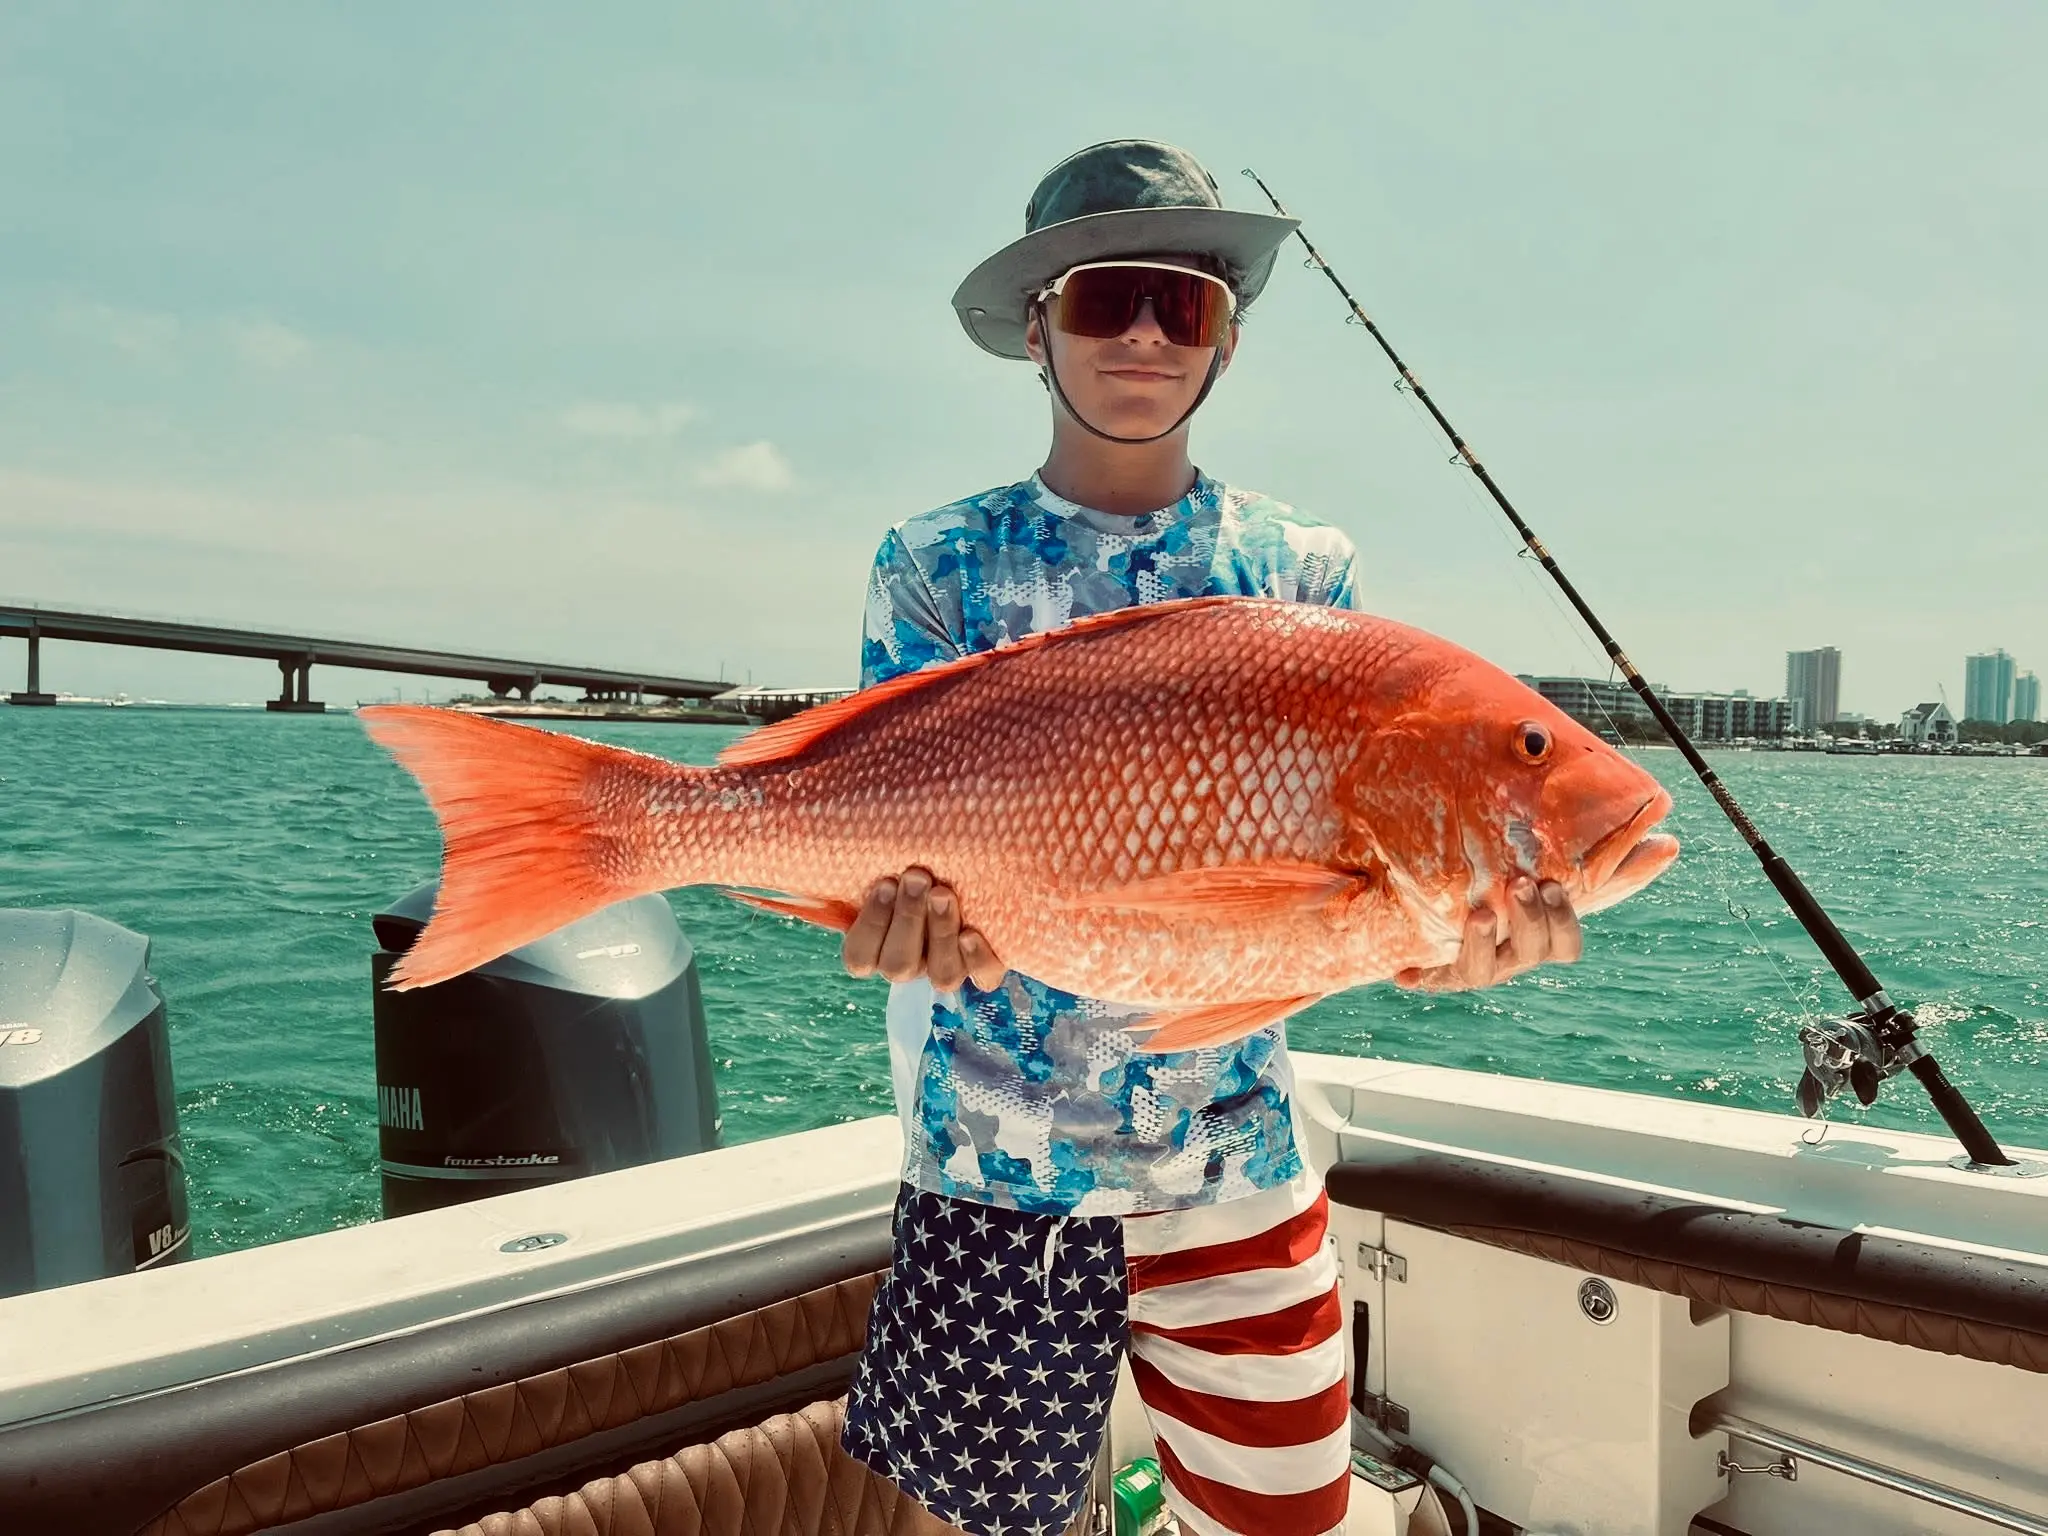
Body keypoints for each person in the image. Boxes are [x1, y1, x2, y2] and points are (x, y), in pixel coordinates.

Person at [837, 140, 1582, 1536]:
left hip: (1235, 1164)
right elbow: (892, 825)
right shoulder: (930, 566)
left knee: (1285, 1521)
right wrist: (890, 918)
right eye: (1102, 297)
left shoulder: (1304, 571)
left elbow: (1342, 892)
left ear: (1224, 339)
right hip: (996, 1173)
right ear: (1039, 326)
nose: (1138, 334)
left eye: (1178, 305)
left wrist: (1446, 954)